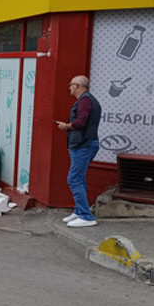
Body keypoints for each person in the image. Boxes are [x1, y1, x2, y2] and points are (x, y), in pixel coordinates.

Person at [56, 75, 101, 228]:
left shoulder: (85, 100)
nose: (69, 87)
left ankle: (86, 216)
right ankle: (79, 210)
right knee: (79, 178)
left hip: (83, 145)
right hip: (84, 144)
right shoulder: (87, 100)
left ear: (77, 85)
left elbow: (81, 121)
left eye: (71, 84)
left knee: (74, 179)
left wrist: (66, 126)